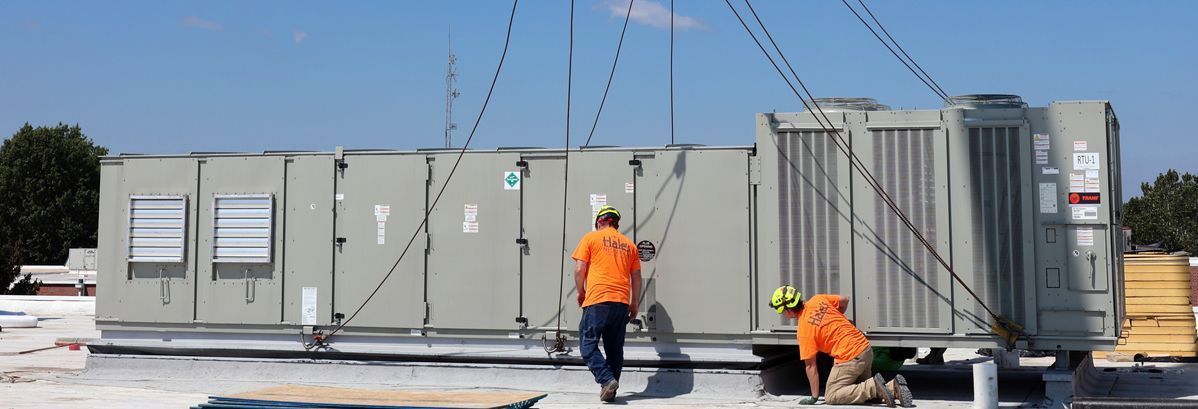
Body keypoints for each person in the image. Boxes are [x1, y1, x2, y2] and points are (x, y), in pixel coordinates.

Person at [769, 285, 914, 407]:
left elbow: (811, 367)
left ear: (788, 310)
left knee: (832, 395)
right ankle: (892, 387)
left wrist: (813, 397)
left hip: (850, 358)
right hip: (866, 350)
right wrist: (835, 319)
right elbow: (844, 299)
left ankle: (874, 386)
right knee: (859, 394)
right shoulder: (818, 300)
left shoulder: (804, 331)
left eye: (780, 311)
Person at [572, 205, 642, 402]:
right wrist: (634, 303)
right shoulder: (630, 245)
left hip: (598, 300)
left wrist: (580, 292)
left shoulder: (591, 238)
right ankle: (610, 390)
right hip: (621, 303)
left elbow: (579, 269)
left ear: (600, 222)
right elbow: (636, 276)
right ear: (616, 223)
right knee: (614, 349)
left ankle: (606, 379)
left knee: (587, 345)